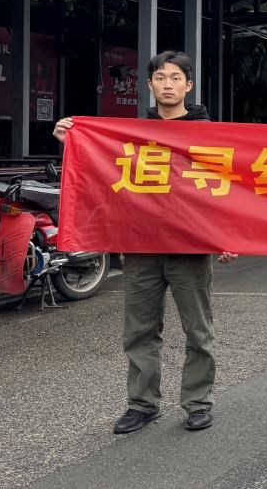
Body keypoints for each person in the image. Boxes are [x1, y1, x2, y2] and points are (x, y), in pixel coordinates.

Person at [54, 50, 234, 434]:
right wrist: (71, 141)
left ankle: (198, 402)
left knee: (198, 330)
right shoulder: (131, 135)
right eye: (160, 78)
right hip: (141, 246)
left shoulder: (211, 135)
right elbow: (100, 175)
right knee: (139, 330)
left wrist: (225, 235)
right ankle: (142, 404)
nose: (168, 85)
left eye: (175, 78)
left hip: (191, 246)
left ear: (188, 85)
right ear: (150, 85)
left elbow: (226, 189)